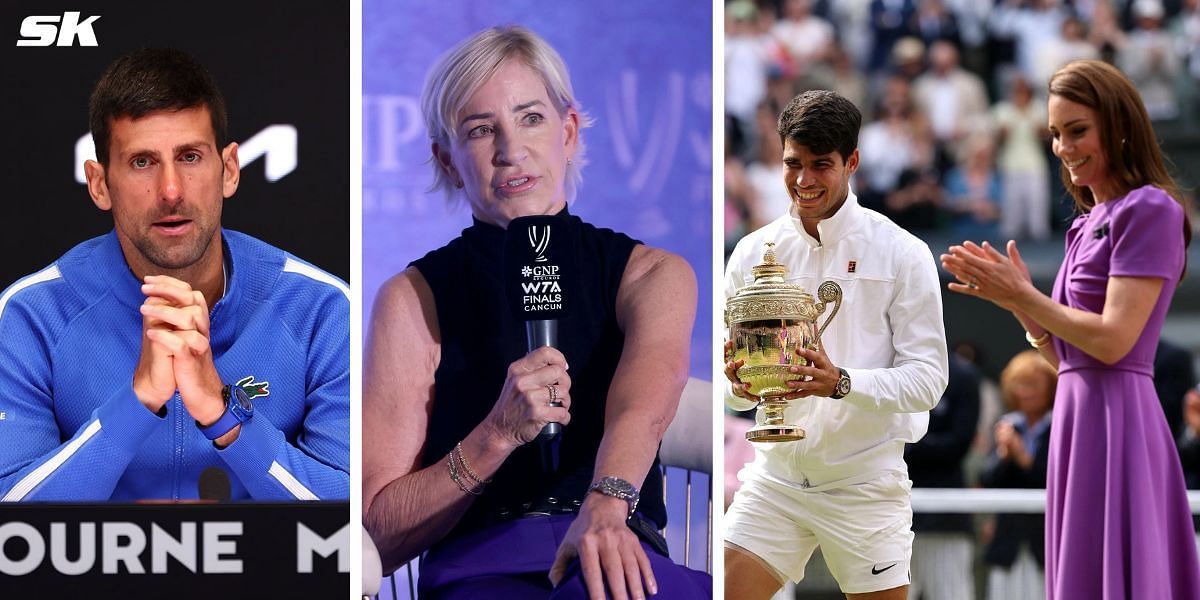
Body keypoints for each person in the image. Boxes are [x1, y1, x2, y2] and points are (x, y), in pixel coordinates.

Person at [361, 26, 710, 600]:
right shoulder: (412, 298)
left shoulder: (652, 275)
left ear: (568, 132)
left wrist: (606, 506)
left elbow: (641, 411)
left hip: (619, 556)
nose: (510, 150)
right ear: (447, 160)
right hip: (481, 574)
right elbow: (380, 530)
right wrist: (495, 436)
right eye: (480, 130)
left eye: (531, 118)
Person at [0, 48, 350, 501]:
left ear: (228, 170)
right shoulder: (32, 314)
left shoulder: (319, 308)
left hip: (263, 574)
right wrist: (138, 401)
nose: (170, 191)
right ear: (100, 183)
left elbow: (349, 532)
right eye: (142, 162)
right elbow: (10, 529)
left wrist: (223, 416)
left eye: (189, 157)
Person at [940, 59, 1200, 599]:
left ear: (1119, 124)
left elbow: (1114, 340)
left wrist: (1024, 294)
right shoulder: (1083, 224)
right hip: (1078, 420)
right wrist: (1015, 303)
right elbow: (1069, 358)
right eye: (1055, 134)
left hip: (1122, 422)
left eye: (1077, 130)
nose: (1063, 147)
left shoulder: (1150, 208)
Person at [723, 89, 949, 600]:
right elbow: (731, 388)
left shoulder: (903, 254)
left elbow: (929, 381)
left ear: (852, 162)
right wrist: (737, 384)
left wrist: (840, 382)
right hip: (775, 480)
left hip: (865, 484)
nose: (803, 181)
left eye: (820, 165)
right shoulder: (749, 251)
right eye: (792, 163)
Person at [980, 350, 1056, 600]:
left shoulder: (1060, 424)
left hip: (1047, 537)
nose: (1025, 392)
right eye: (1019, 384)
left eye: (1033, 384)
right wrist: (1004, 455)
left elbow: (1054, 480)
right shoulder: (1007, 424)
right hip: (1009, 536)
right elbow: (988, 479)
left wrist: (1022, 455)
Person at [904, 355, 980, 600]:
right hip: (885, 513)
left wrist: (903, 444)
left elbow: (957, 445)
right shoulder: (880, 366)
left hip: (944, 520)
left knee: (951, 593)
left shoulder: (963, 376)